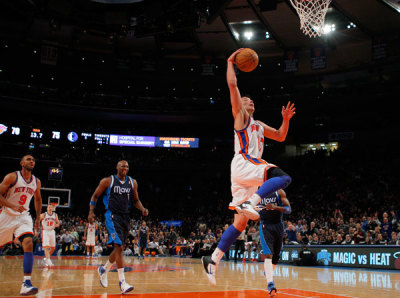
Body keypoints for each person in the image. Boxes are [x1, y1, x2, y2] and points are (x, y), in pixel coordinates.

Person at [202, 49, 295, 286]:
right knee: (283, 178)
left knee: (240, 224)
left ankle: (212, 260)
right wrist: (230, 62)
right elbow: (233, 86)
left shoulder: (260, 125)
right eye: (246, 99)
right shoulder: (241, 116)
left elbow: (282, 136)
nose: (249, 100)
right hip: (244, 162)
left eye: (251, 100)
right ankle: (251, 202)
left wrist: (285, 119)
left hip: (246, 174)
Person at [88, 160, 149, 294]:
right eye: (122, 165)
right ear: (117, 167)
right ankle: (122, 283)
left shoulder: (133, 182)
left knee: (118, 249)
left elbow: (135, 200)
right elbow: (95, 196)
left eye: (127, 166)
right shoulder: (107, 181)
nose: (125, 168)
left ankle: (104, 269)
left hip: (125, 217)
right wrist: (91, 211)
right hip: (111, 215)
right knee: (119, 247)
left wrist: (142, 209)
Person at [0, 155, 42, 295]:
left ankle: (26, 283)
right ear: (21, 163)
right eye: (29, 159)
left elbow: (37, 199)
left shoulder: (36, 182)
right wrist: (13, 205)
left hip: (24, 216)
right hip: (7, 214)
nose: (32, 161)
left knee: (29, 242)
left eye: (33, 160)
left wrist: (37, 218)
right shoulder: (12, 177)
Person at [258, 189, 291, 297]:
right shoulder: (257, 193)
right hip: (265, 225)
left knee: (276, 256)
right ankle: (271, 285)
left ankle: (268, 272)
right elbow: (253, 212)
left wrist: (275, 207)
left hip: (278, 225)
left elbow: (288, 209)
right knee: (268, 254)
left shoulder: (279, 192)